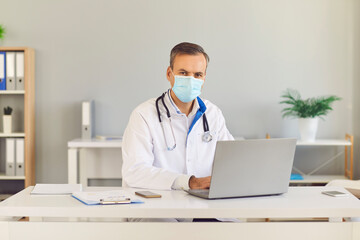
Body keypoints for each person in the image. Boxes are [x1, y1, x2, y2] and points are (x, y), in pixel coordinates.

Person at [122, 42, 234, 191]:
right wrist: (189, 182)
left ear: (204, 78)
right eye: (183, 73)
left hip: (203, 205)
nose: (190, 80)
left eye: (197, 75)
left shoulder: (213, 114)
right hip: (159, 206)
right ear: (169, 74)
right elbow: (135, 172)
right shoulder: (144, 115)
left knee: (230, 215)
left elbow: (232, 163)